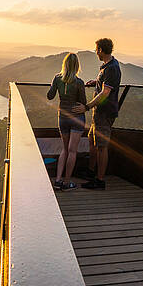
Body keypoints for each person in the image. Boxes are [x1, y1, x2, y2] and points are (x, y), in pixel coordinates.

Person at [73, 38, 121, 190]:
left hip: (104, 113)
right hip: (99, 112)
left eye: (96, 50)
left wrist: (86, 107)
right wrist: (96, 82)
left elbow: (105, 93)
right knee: (92, 141)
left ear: (100, 50)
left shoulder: (111, 68)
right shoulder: (107, 66)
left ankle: (100, 180)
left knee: (101, 146)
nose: (95, 52)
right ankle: (90, 171)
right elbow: (106, 85)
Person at [47, 53, 87, 191]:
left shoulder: (57, 78)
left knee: (65, 149)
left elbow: (50, 96)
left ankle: (58, 180)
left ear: (64, 65)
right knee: (72, 151)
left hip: (62, 118)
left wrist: (54, 84)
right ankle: (67, 182)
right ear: (76, 66)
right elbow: (83, 103)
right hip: (76, 118)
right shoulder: (79, 82)